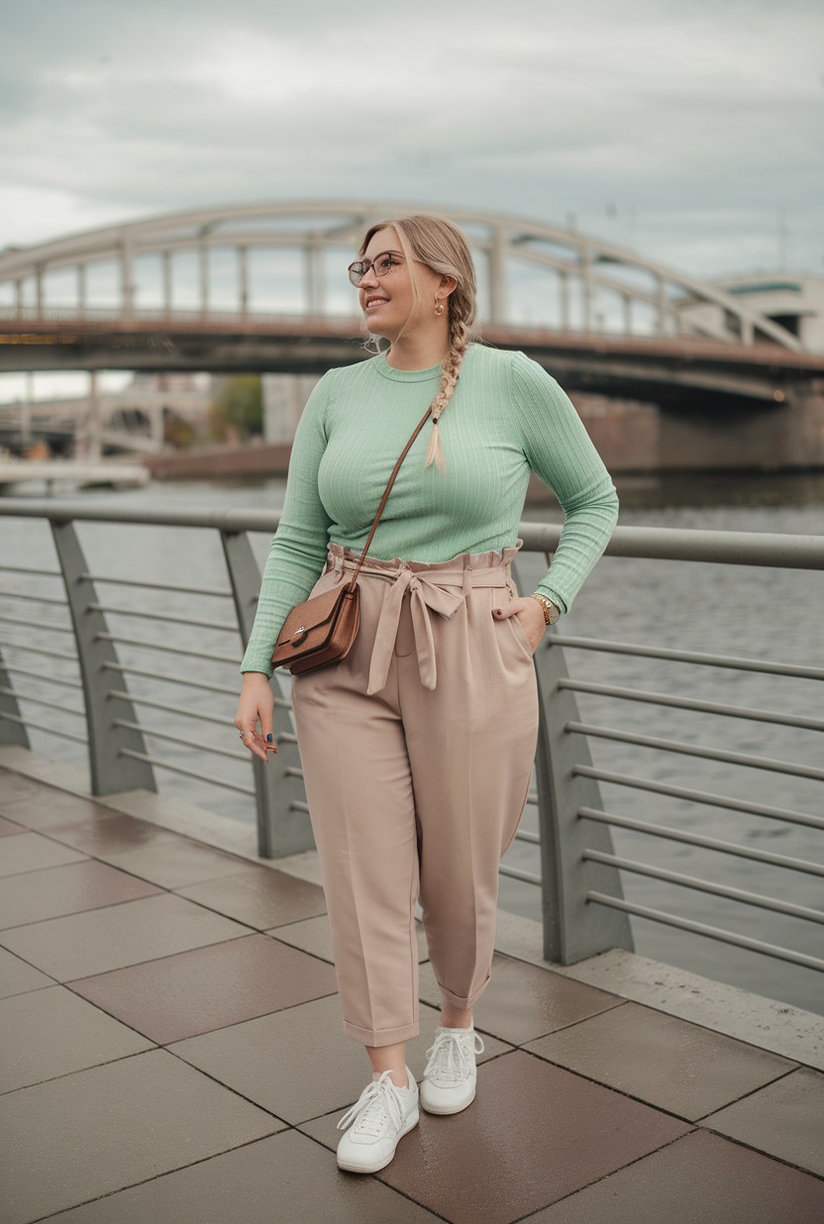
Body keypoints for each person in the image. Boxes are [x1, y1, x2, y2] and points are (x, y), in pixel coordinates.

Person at [235, 213, 618, 1174]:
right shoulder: (334, 394)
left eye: (387, 263)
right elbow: (294, 540)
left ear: (444, 282)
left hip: (475, 641)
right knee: (363, 867)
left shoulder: (513, 381)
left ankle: (457, 1023)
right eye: (359, 264)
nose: (365, 278)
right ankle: (388, 1077)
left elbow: (594, 502)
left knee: (460, 863)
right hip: (346, 647)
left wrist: (544, 608)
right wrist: (252, 666)